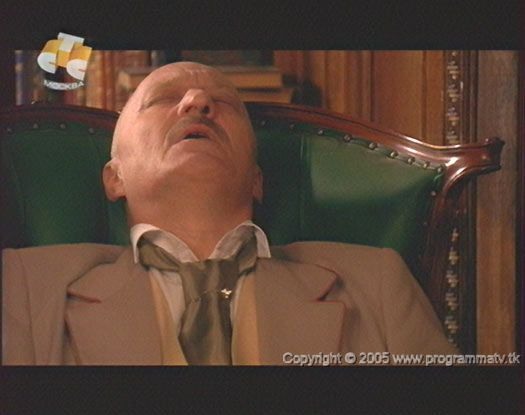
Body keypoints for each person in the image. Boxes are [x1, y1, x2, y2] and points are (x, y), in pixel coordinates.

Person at [2, 62, 457, 365]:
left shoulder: (376, 283)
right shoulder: (24, 285)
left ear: (257, 180)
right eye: (163, 99)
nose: (198, 102)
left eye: (225, 104)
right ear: (114, 178)